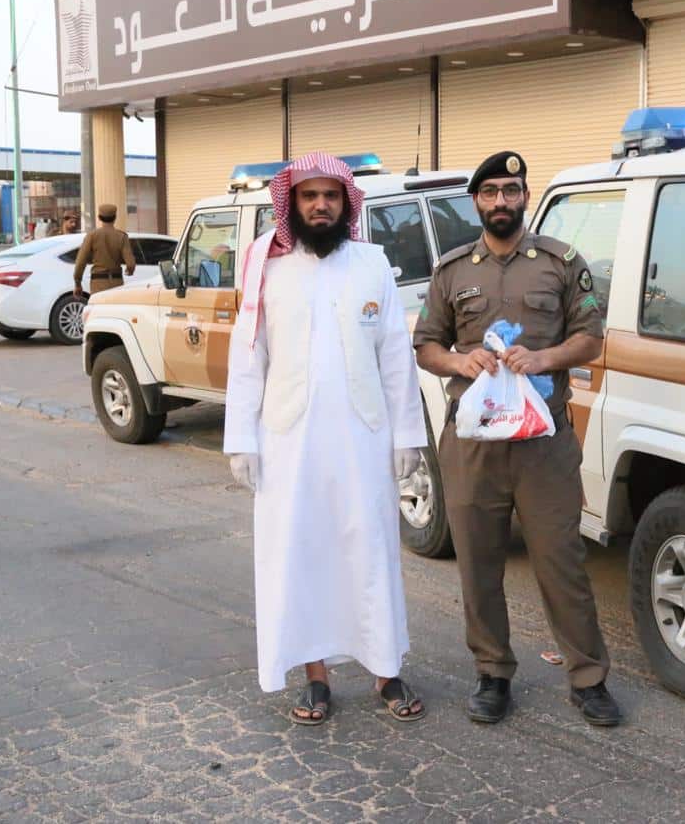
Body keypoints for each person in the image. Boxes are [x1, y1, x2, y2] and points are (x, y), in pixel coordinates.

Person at [413, 151, 622, 727]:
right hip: (474, 444)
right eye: (490, 193)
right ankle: (492, 673)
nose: (501, 201)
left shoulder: (560, 262)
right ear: (475, 202)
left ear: (525, 196)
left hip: (543, 444)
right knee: (479, 563)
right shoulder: (452, 270)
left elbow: (590, 338)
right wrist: (460, 360)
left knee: (562, 562)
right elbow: (426, 346)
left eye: (511, 190)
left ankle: (588, 678)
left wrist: (543, 357)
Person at [223, 152, 428, 725]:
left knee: (369, 553)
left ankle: (387, 670)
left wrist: (406, 433)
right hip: (289, 441)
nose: (320, 205)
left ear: (346, 204)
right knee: (302, 554)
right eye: (309, 196)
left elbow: (395, 356)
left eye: (330, 196)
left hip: (364, 438)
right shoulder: (266, 266)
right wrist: (242, 437)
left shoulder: (373, 264)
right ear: (292, 203)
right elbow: (248, 357)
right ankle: (315, 678)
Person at [73, 204, 135, 298]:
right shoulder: (122, 236)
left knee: (100, 310)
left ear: (99, 217)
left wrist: (78, 283)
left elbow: (80, 262)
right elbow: (130, 264)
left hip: (98, 284)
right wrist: (129, 270)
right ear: (115, 218)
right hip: (116, 282)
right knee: (115, 311)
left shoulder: (92, 236)